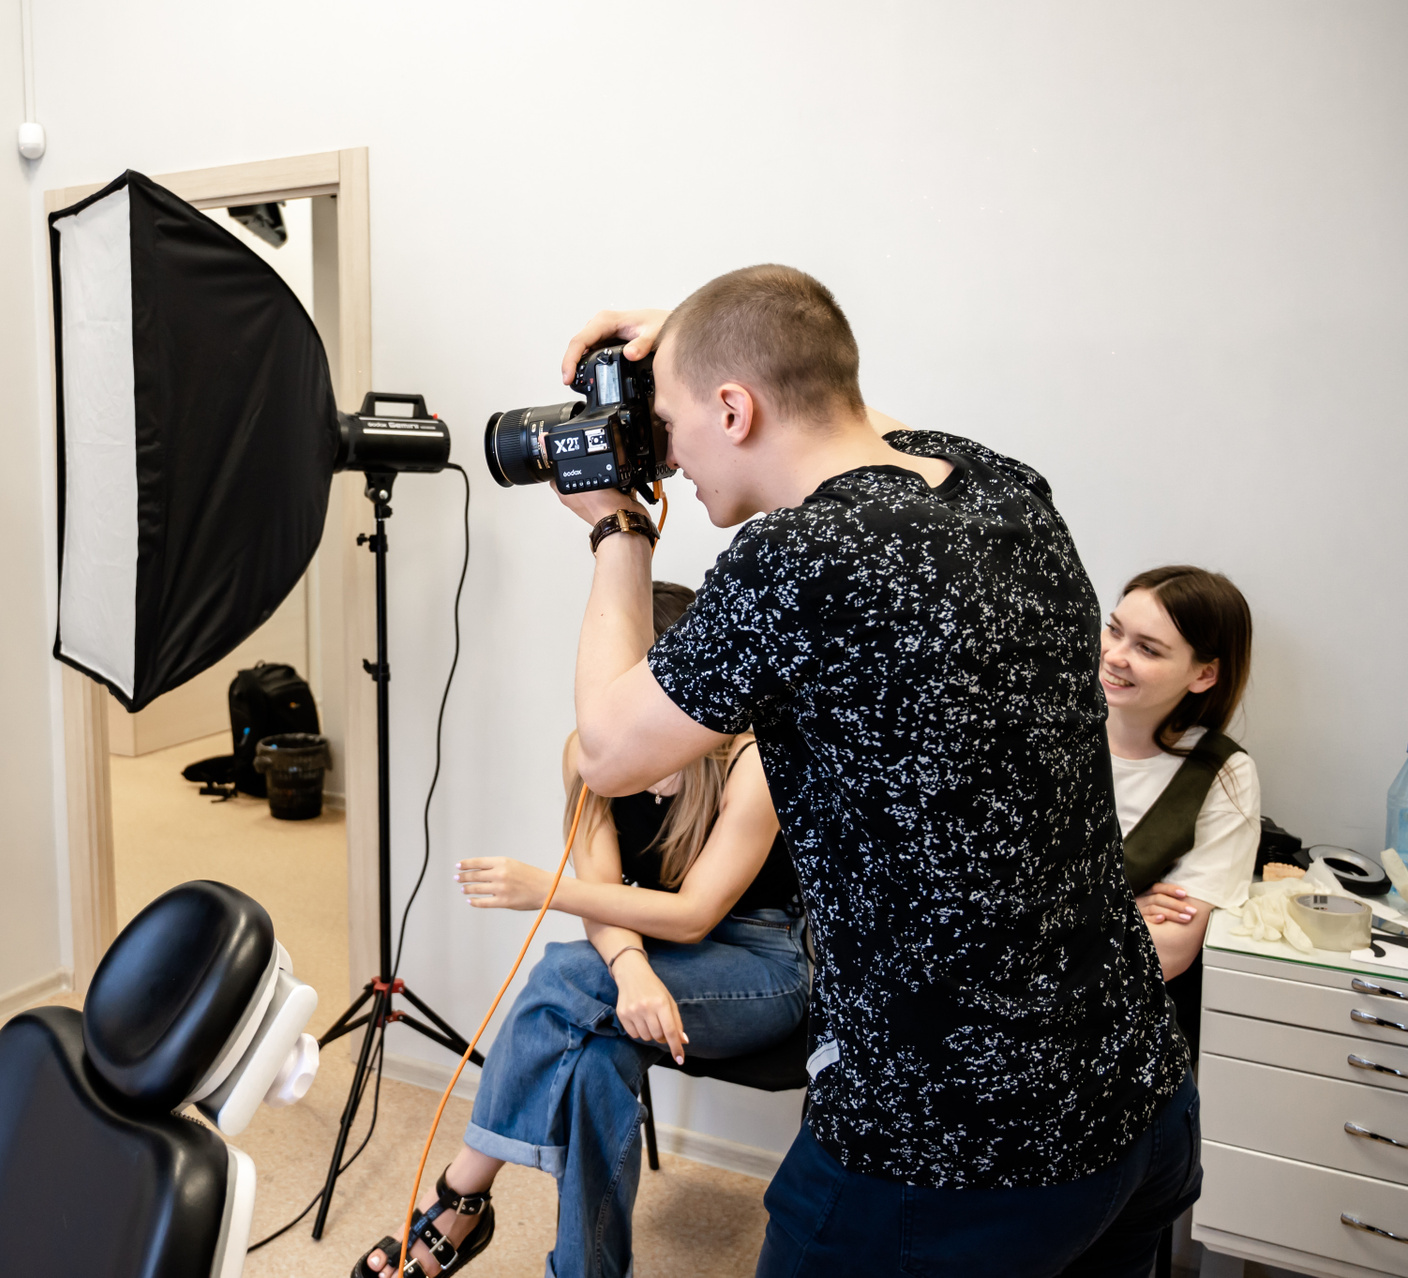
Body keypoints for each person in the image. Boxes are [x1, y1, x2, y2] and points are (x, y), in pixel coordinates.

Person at [551, 266, 1196, 1276]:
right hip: (1135, 1091)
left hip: (952, 1143)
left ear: (734, 408)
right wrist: (701, 339)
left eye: (667, 425)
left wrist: (617, 527)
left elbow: (608, 753)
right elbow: (834, 408)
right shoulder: (1004, 486)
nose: (665, 459)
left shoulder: (800, 559)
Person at [356, 586, 808, 1278]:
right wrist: (630, 971)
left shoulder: (755, 761)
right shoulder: (590, 756)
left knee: (562, 970)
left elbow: (694, 913)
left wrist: (546, 890)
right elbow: (607, 899)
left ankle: (460, 1195)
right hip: (655, 956)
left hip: (764, 968)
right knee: (597, 1062)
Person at [1103, 565, 1259, 1045]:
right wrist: (1120, 912)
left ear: (1204, 674)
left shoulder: (1222, 774)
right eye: (1114, 630)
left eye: (1147, 649)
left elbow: (1168, 952)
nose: (1115, 656)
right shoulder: (1045, 731)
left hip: (1117, 1034)